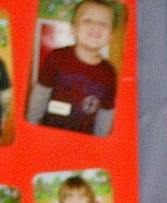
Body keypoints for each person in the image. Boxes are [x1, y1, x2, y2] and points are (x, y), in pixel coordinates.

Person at [29, 0, 119, 137]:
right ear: (73, 29)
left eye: (103, 23)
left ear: (111, 36)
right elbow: (41, 93)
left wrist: (100, 144)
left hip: (84, 143)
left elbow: (106, 113)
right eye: (88, 20)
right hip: (49, 135)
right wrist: (31, 125)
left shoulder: (109, 73)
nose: (95, 26)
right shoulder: (57, 57)